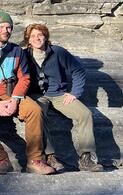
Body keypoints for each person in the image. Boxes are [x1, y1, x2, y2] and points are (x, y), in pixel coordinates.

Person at [0, 11, 55, 175]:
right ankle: (2, 160)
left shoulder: (17, 51)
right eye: (1, 27)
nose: (6, 30)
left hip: (12, 95)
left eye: (9, 27)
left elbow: (25, 78)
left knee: (35, 110)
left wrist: (15, 99)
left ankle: (34, 160)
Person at [24, 23, 103, 172]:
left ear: (46, 37)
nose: (37, 38)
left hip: (59, 94)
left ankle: (86, 158)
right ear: (28, 40)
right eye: (33, 36)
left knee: (84, 114)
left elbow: (78, 70)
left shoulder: (58, 52)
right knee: (38, 113)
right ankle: (50, 156)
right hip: (36, 95)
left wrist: (74, 93)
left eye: (40, 35)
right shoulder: (24, 54)